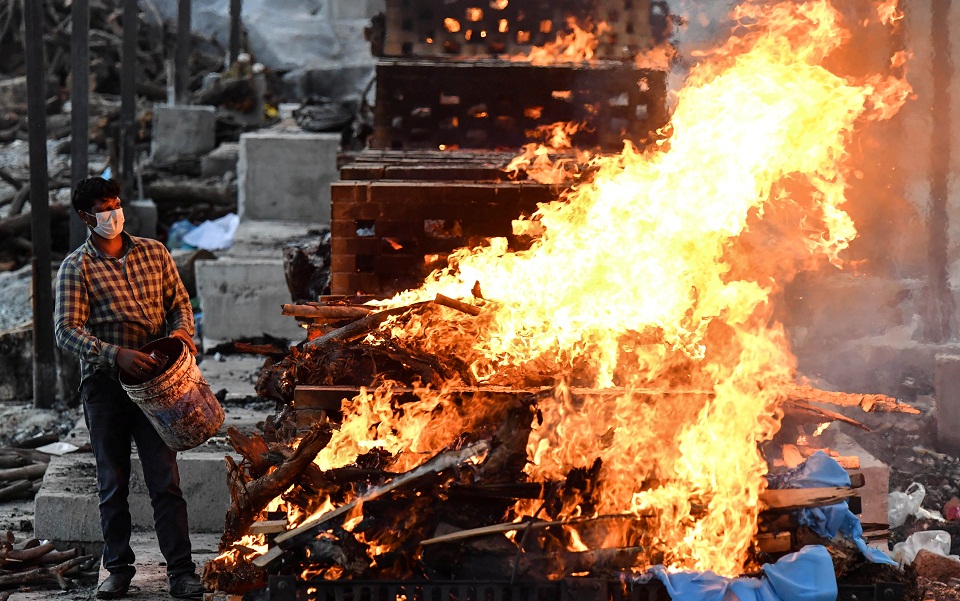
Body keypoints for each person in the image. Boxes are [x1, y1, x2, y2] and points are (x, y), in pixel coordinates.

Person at [54, 177, 207, 600]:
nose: (114, 214)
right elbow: (66, 331)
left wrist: (181, 334)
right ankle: (118, 569)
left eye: (116, 204)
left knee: (165, 479)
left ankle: (181, 571)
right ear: (87, 218)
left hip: (158, 382)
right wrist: (114, 354)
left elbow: (179, 302)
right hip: (106, 387)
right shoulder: (77, 267)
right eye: (104, 208)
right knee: (112, 481)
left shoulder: (154, 252)